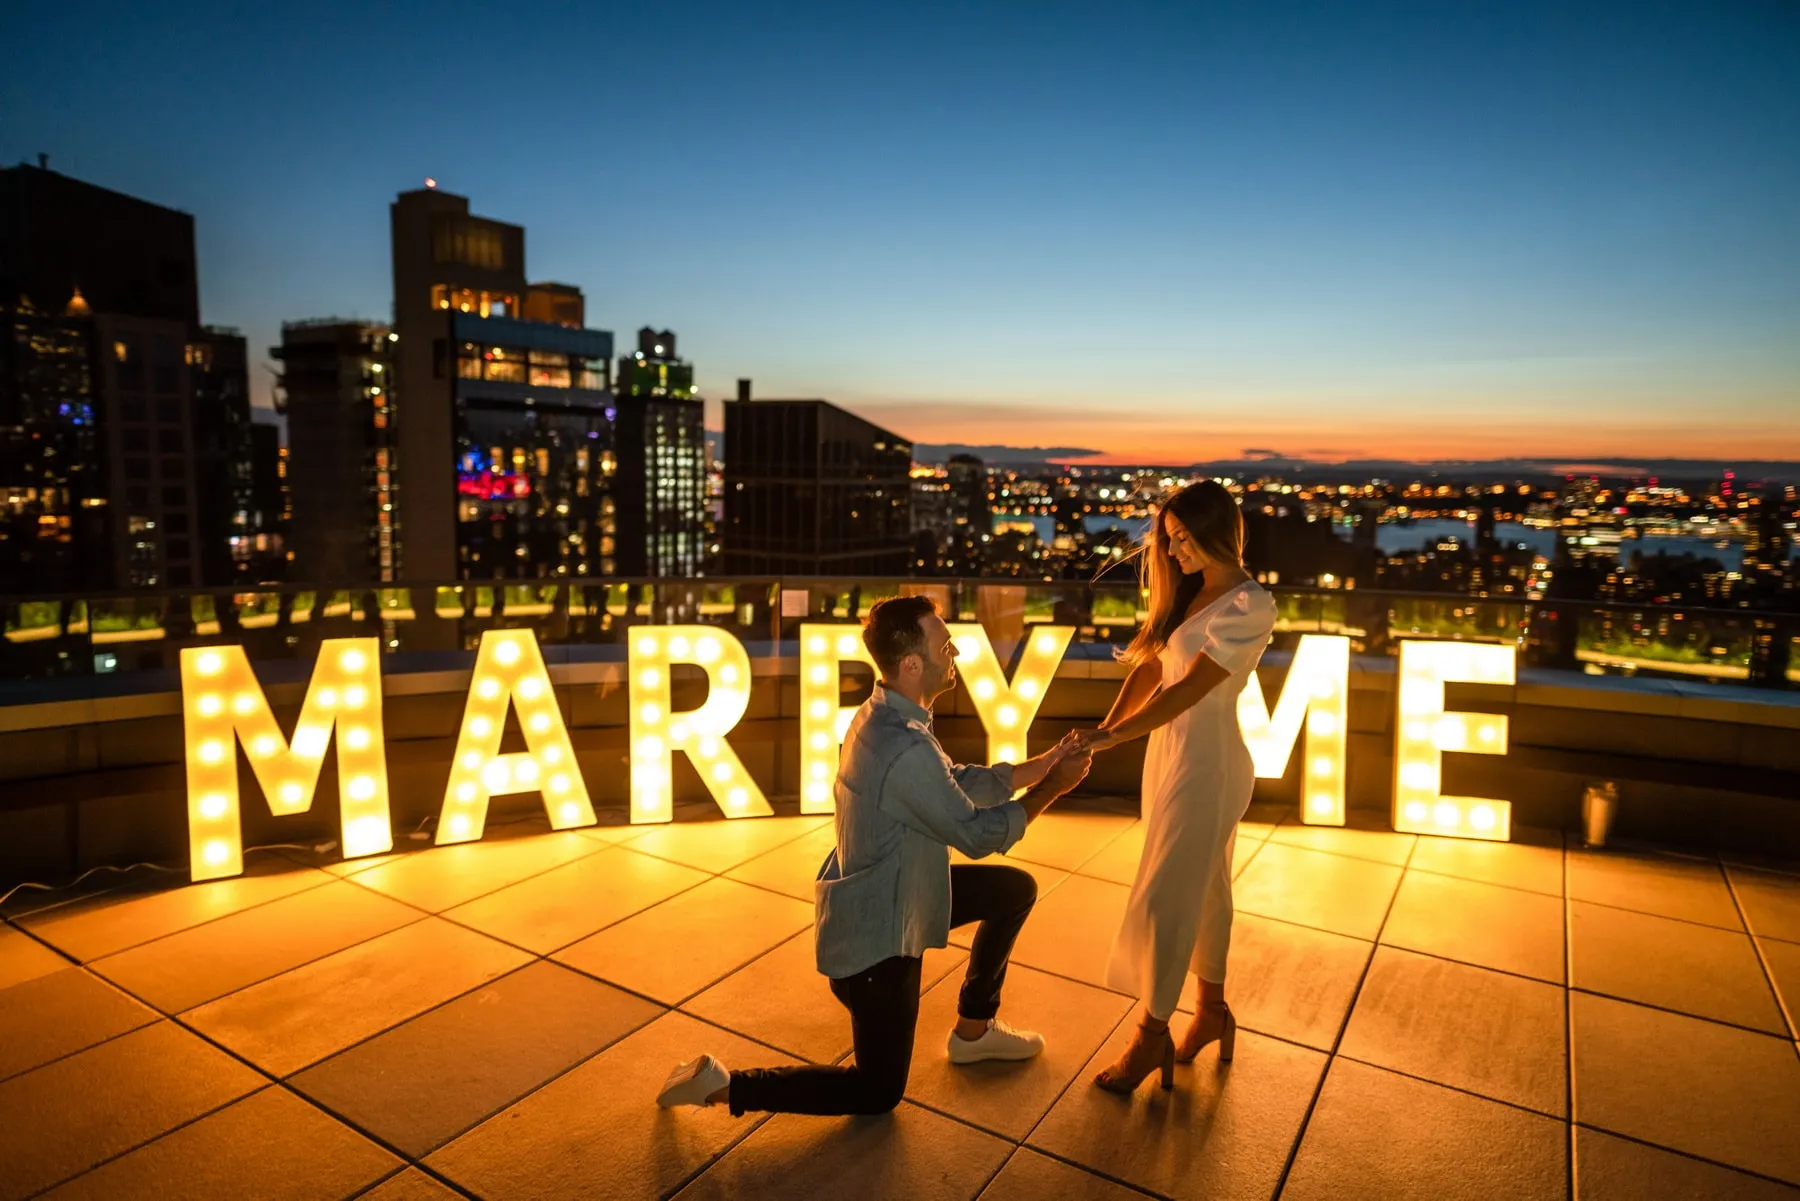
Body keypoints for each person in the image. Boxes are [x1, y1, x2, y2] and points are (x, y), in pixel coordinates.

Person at [657, 595, 1092, 1114]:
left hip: (902, 892)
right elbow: (976, 837)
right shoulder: (903, 745)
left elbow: (952, 784)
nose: (953, 651)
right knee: (877, 1092)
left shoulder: (888, 713)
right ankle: (719, 1085)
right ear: (912, 664)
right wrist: (1054, 790)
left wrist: (1044, 764)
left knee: (1013, 891)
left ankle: (974, 1032)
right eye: (943, 645)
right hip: (878, 945)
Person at [1071, 481, 1276, 1094]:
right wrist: (1107, 729)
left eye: (1184, 539)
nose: (1174, 550)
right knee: (1207, 891)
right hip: (1170, 752)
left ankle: (1151, 1036)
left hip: (1209, 764)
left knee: (1166, 899)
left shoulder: (1249, 605)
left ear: (1219, 533)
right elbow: (1155, 669)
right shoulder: (1188, 593)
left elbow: (1190, 690)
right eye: (1169, 539)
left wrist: (1115, 740)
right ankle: (1212, 1012)